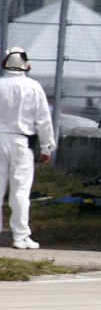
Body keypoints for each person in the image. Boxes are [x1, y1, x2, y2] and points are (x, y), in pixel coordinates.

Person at [0, 47, 55, 249]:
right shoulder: (33, 87)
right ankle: (20, 236)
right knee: (20, 191)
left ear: (5, 63)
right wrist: (47, 147)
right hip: (21, 142)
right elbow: (43, 119)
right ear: (27, 65)